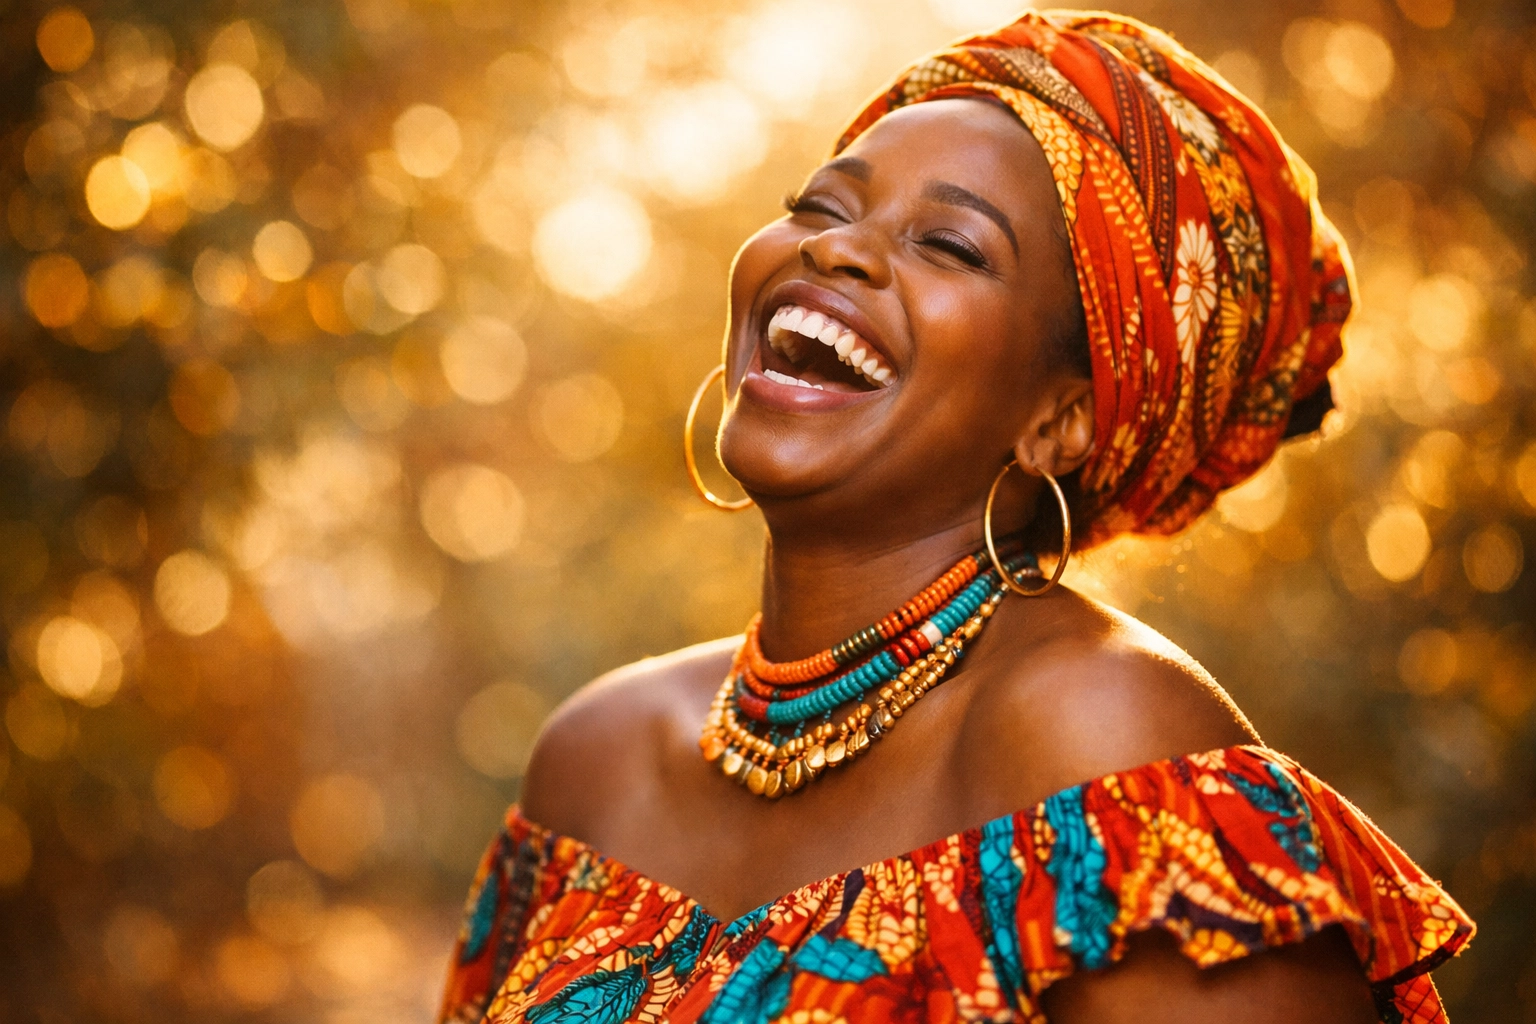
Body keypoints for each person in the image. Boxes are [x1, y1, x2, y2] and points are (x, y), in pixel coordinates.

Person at [440, 11, 1473, 1024]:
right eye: (819, 206)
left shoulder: (1113, 759)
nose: (838, 253)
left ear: (1061, 420)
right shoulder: (596, 758)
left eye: (949, 244)